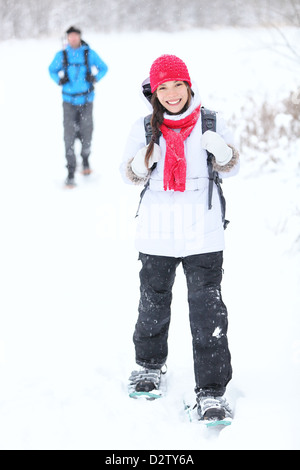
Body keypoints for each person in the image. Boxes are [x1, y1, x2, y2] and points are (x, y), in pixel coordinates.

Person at [120, 55, 240, 421]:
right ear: (153, 92)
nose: (172, 94)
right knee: (152, 307)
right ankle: (149, 368)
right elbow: (128, 174)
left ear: (189, 86)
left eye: (177, 86)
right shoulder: (144, 128)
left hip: (203, 235)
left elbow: (233, 165)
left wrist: (222, 153)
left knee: (209, 315)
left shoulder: (212, 121)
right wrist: (144, 161)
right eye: (163, 88)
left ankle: (211, 392)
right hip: (156, 235)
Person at [49, 26, 108, 187]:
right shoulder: (62, 55)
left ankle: (85, 159)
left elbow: (104, 68)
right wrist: (59, 80)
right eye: (70, 36)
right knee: (68, 135)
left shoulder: (89, 54)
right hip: (68, 102)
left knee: (86, 133)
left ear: (80, 37)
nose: (73, 38)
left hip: (87, 101)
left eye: (75, 36)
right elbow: (51, 70)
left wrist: (94, 77)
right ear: (67, 38)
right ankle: (70, 170)